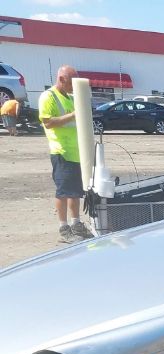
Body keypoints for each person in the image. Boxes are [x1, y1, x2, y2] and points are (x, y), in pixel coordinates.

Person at [38, 65, 94, 243]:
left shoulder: (70, 97)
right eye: (71, 83)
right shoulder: (48, 97)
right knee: (63, 192)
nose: (73, 87)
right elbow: (48, 122)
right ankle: (64, 227)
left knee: (75, 192)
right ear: (61, 79)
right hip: (61, 152)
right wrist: (73, 115)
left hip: (77, 153)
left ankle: (76, 223)